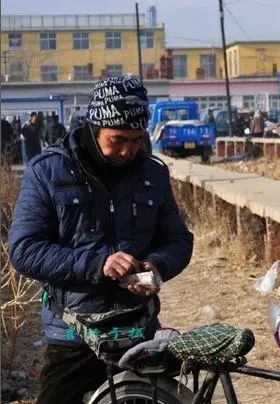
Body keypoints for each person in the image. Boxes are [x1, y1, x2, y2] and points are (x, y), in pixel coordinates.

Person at [8, 75, 194, 404]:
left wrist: (156, 267)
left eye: (137, 140)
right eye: (118, 139)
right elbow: (24, 249)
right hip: (73, 336)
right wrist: (98, 265)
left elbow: (178, 239)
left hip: (138, 330)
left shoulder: (153, 173)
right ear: (96, 127)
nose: (127, 150)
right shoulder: (47, 172)